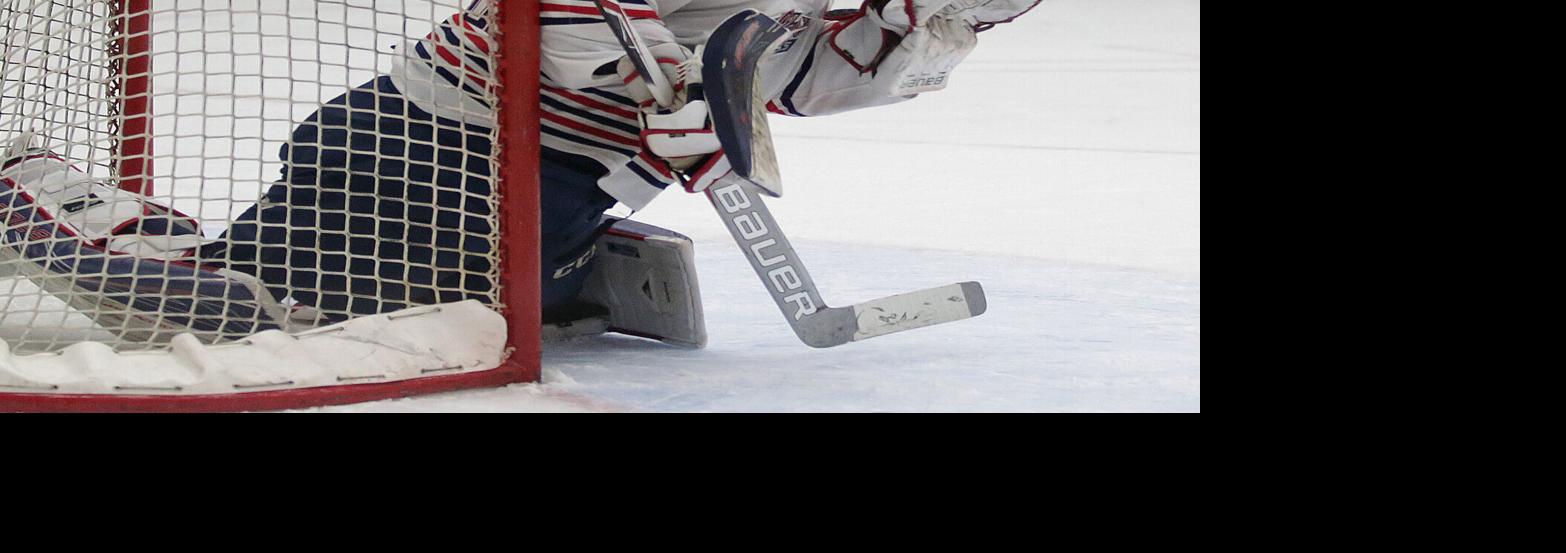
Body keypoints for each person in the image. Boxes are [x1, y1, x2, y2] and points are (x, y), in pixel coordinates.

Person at [1, 1, 1041, 335]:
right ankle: (24, 190)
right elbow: (562, 16)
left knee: (477, 315)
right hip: (429, 139)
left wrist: (928, 30)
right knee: (242, 310)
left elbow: (796, 83)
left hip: (581, 172)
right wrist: (665, 87)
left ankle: (560, 263)